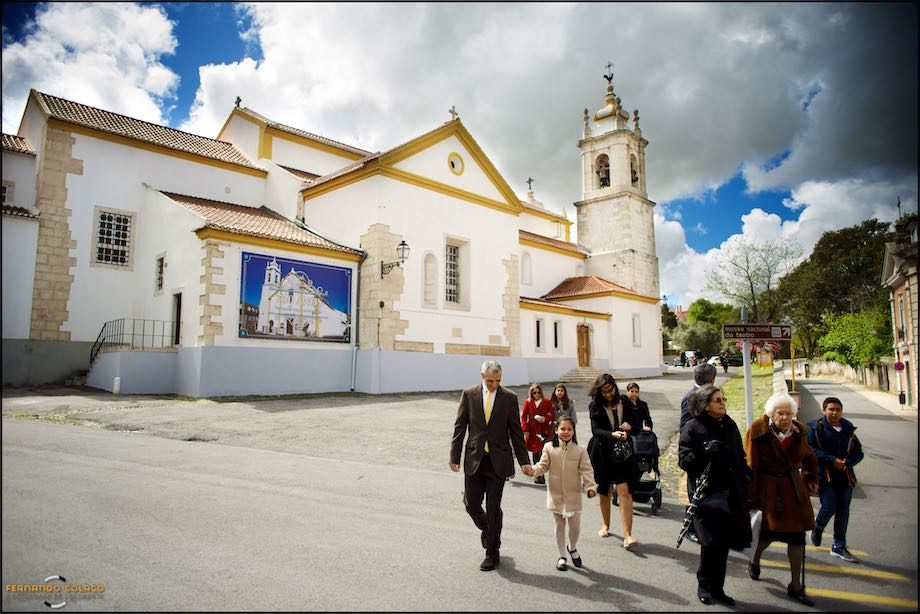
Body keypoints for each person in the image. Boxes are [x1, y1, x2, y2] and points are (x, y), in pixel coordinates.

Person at [450, 360, 533, 571]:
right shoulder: (469, 394)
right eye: (490, 381)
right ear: (482, 376)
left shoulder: (509, 397)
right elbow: (460, 426)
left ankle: (492, 552)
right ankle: (489, 528)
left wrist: (524, 461)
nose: (494, 384)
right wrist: (454, 456)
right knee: (471, 504)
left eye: (498, 381)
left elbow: (515, 431)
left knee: (493, 507)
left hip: (498, 461)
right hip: (474, 459)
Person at [679, 385, 752, 606]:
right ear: (705, 405)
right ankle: (704, 584)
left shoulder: (728, 424)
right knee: (710, 543)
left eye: (723, 399)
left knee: (724, 544)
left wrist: (746, 476)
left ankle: (718, 588)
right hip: (707, 495)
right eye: (718, 400)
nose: (722, 403)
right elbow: (684, 460)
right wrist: (703, 452)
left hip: (730, 493)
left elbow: (739, 454)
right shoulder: (692, 427)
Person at [745, 392, 819, 606]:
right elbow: (751, 466)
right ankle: (755, 558)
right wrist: (751, 497)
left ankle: (796, 585)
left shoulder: (799, 432)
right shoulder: (757, 432)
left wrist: (811, 476)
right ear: (771, 414)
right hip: (769, 490)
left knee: (797, 538)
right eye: (780, 413)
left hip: (794, 490)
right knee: (767, 535)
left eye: (788, 413)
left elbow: (808, 456)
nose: (785, 418)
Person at [531, 415, 598, 571]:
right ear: (556, 430)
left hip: (573, 495)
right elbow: (542, 466)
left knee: (575, 527)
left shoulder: (580, 450)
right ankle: (562, 556)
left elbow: (587, 470)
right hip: (555, 495)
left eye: (569, 429)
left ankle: (572, 547)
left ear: (574, 431)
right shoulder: (549, 447)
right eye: (562, 429)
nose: (566, 432)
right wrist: (532, 470)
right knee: (559, 526)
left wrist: (590, 487)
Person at [586, 373, 640, 549]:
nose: (609, 394)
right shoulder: (595, 406)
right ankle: (606, 525)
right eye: (604, 392)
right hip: (602, 453)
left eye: (611, 390)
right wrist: (611, 434)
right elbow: (595, 431)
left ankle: (628, 535)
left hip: (623, 454)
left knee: (625, 491)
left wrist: (629, 429)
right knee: (604, 490)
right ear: (599, 392)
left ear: (615, 388)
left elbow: (637, 424)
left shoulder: (624, 401)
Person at [807, 396, 864, 564]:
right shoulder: (816, 428)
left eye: (838, 410)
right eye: (831, 409)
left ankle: (839, 546)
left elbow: (859, 452)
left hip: (845, 476)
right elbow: (811, 450)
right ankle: (817, 529)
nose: (834, 413)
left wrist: (848, 462)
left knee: (843, 511)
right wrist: (832, 460)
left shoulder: (848, 429)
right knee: (829, 507)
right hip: (825, 476)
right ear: (824, 410)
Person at [678, 363, 718, 543]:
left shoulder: (706, 395)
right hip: (695, 452)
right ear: (711, 380)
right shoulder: (692, 397)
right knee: (692, 491)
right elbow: (685, 426)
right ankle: (690, 528)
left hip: (708, 451)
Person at [521, 383, 555, 484]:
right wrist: (525, 429)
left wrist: (544, 418)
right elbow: (523, 416)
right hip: (532, 430)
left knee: (543, 452)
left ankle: (542, 473)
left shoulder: (547, 402)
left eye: (538, 392)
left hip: (544, 430)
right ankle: (538, 474)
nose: (536, 394)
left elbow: (551, 415)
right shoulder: (528, 402)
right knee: (535, 452)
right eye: (534, 392)